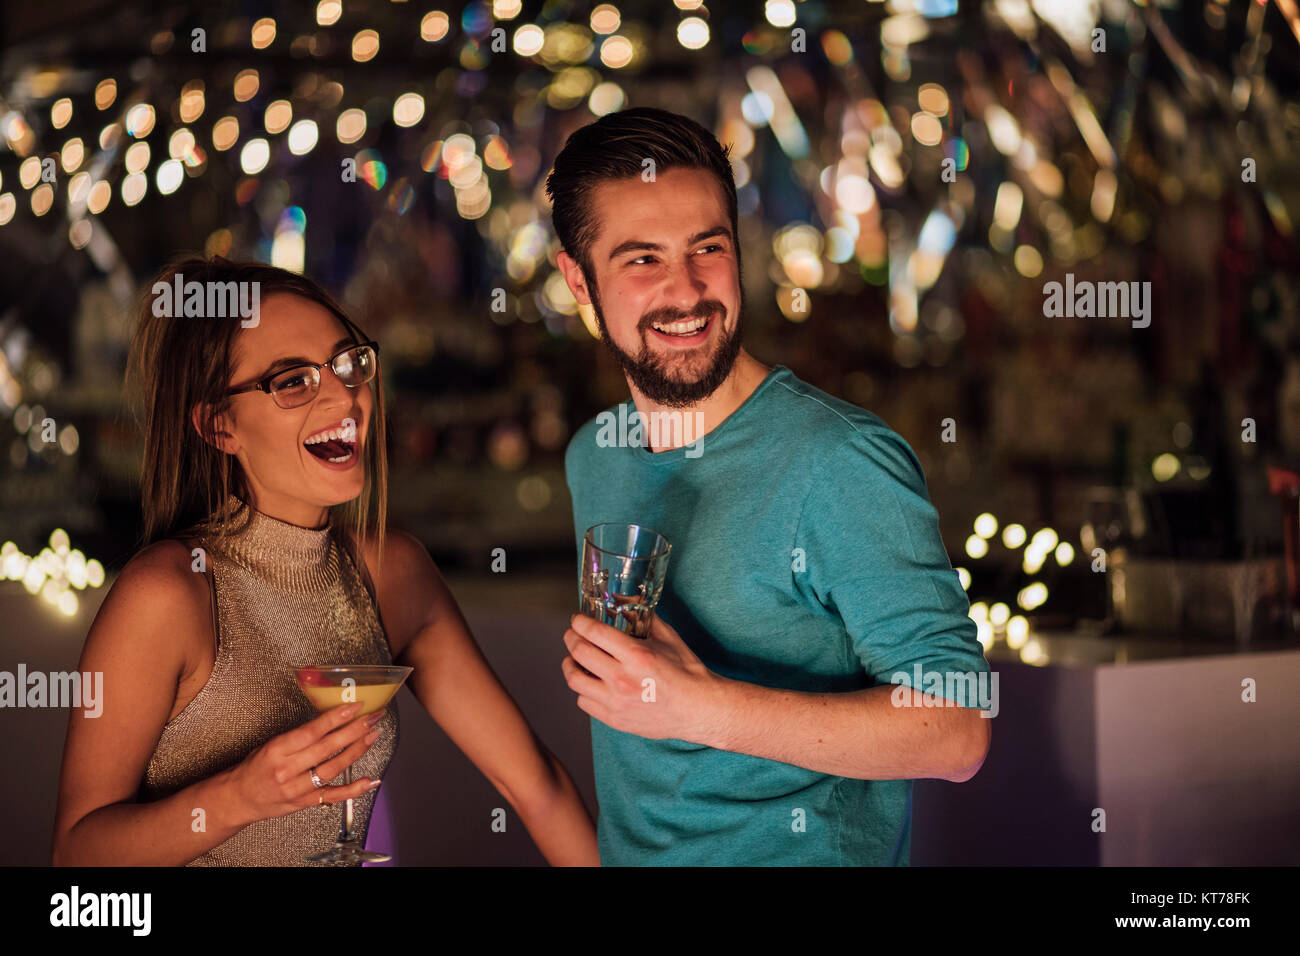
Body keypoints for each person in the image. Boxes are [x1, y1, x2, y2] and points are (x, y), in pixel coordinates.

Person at [548, 107, 992, 865]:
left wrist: (699, 707)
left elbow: (958, 729)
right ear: (579, 284)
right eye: (641, 260)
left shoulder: (840, 460)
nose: (686, 291)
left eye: (707, 249)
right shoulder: (596, 455)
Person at [51, 257, 598, 866]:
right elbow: (77, 857)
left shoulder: (392, 575)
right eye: (291, 381)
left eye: (347, 364)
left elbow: (536, 788)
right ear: (218, 425)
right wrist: (240, 795)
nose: (344, 395)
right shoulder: (169, 594)